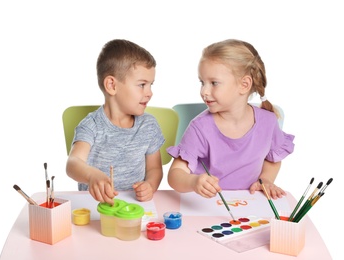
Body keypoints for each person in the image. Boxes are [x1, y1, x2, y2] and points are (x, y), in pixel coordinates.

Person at [167, 39, 295, 200]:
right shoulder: (200, 127)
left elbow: (273, 158)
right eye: (202, 82)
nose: (204, 91)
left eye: (214, 83)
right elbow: (175, 174)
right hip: (206, 205)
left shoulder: (268, 122)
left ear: (244, 85)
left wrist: (266, 179)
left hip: (250, 203)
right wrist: (193, 182)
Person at [66, 39, 164, 205]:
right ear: (112, 85)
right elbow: (73, 164)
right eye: (142, 85)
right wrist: (91, 175)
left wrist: (150, 185)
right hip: (95, 206)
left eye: (151, 85)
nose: (149, 93)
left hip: (135, 207)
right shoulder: (92, 125)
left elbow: (154, 169)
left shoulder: (149, 125)